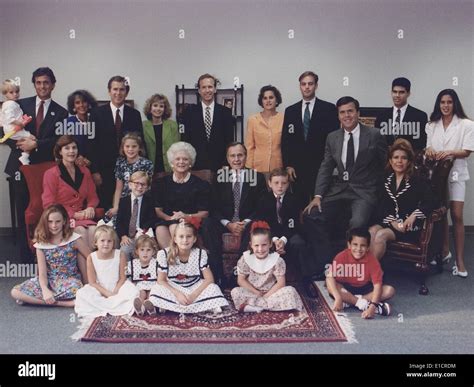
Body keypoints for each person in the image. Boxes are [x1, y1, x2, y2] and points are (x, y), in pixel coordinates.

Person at [303, 96, 387, 279]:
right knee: (312, 215)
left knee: (357, 224)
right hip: (339, 190)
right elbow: (326, 167)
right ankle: (328, 264)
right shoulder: (332, 137)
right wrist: (317, 196)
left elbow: (384, 166)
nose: (346, 115)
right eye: (342, 112)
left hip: (363, 193)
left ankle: (351, 270)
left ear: (358, 113)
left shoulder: (374, 135)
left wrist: (378, 194)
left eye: (350, 111)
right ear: (338, 115)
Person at [4, 67, 68, 262]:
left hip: (45, 169)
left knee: (46, 210)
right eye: (38, 82)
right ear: (34, 84)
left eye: (46, 82)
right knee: (24, 210)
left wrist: (37, 144)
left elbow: (60, 140)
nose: (42, 86)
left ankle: (46, 253)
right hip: (19, 167)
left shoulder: (61, 112)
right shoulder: (19, 104)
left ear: (53, 85)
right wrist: (20, 143)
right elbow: (4, 130)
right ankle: (26, 255)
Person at [425, 89, 474, 278]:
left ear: (455, 104)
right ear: (439, 104)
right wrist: (430, 150)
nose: (445, 106)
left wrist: (450, 152)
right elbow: (429, 145)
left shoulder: (466, 124)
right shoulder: (432, 125)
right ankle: (445, 251)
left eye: (449, 102)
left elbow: (467, 151)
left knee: (457, 215)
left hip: (456, 175)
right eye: (442, 102)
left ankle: (460, 261)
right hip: (436, 176)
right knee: (441, 212)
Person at [203, 142, 266, 282]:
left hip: (247, 222)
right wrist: (228, 224)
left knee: (256, 225)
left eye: (240, 155)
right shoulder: (220, 177)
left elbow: (261, 207)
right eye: (232, 156)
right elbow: (213, 207)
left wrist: (246, 222)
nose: (236, 159)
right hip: (225, 222)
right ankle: (218, 274)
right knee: (207, 223)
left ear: (246, 156)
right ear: (227, 158)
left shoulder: (257, 177)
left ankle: (237, 273)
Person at [369, 139, 436, 260]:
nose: (399, 161)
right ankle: (368, 270)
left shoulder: (417, 179)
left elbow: (432, 201)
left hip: (407, 227)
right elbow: (380, 204)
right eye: (396, 157)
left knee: (380, 235)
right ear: (390, 160)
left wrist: (414, 215)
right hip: (389, 221)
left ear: (409, 161)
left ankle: (370, 274)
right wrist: (392, 221)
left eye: (404, 158)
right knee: (371, 231)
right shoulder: (385, 179)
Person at [11, 204, 90, 307]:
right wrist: (45, 290)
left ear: (64, 221)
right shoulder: (41, 245)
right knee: (15, 292)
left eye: (58, 221)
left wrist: (90, 283)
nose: (54, 225)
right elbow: (42, 274)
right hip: (48, 281)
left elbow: (91, 258)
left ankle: (35, 299)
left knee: (77, 288)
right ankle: (64, 303)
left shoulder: (74, 239)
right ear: (45, 222)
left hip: (69, 281)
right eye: (50, 222)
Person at [281, 71, 339, 205]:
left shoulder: (328, 109)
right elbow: (286, 141)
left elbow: (334, 140)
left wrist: (330, 165)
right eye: (303, 84)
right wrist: (288, 165)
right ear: (300, 86)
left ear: (316, 86)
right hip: (296, 169)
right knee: (298, 206)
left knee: (320, 206)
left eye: (310, 84)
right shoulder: (291, 111)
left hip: (321, 167)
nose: (307, 87)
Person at [256, 168, 316, 297]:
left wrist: (282, 240)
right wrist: (275, 240)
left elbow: (293, 223)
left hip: (289, 234)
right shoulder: (263, 200)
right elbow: (265, 223)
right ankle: (261, 283)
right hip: (270, 236)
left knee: (299, 243)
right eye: (276, 183)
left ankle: (306, 282)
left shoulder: (293, 200)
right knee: (260, 243)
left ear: (288, 184)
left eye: (283, 183)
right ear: (269, 183)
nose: (280, 186)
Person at [149, 220, 229, 314]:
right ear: (175, 239)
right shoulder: (164, 254)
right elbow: (161, 280)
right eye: (181, 236)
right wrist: (178, 294)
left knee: (213, 288)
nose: (185, 240)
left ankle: (169, 306)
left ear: (194, 239)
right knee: (156, 289)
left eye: (189, 236)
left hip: (194, 286)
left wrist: (193, 296)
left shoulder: (200, 253)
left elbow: (209, 279)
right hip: (174, 286)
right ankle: (203, 306)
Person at [89, 75, 143, 209]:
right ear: (109, 91)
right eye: (115, 89)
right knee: (107, 207)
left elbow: (140, 143)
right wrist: (94, 171)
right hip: (104, 171)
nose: (118, 93)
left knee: (127, 207)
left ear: (126, 92)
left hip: (129, 170)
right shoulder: (96, 114)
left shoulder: (134, 114)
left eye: (122, 90)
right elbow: (91, 144)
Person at [231, 221, 303, 313]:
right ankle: (268, 307)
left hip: (271, 293)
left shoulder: (277, 260)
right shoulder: (245, 259)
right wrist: (257, 293)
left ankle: (254, 306)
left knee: (290, 291)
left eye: (264, 245)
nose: (260, 249)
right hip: (252, 292)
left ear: (270, 244)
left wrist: (266, 296)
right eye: (256, 245)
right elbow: (241, 280)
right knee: (235, 292)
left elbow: (281, 283)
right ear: (251, 245)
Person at [42, 135, 99, 250]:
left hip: (83, 216)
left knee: (95, 231)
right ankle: (89, 267)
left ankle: (91, 267)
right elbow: (49, 204)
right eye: (67, 148)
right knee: (80, 232)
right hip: (62, 219)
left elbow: (93, 197)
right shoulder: (51, 174)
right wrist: (73, 214)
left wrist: (90, 207)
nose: (71, 151)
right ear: (60, 152)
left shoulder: (85, 171)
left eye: (74, 148)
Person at [326, 228, 395, 319]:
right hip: (345, 289)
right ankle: (363, 304)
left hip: (365, 289)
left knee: (389, 290)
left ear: (368, 248)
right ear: (349, 245)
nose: (358, 249)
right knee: (330, 282)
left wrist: (373, 306)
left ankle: (350, 302)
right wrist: (338, 298)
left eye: (363, 245)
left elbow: (377, 285)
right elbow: (330, 278)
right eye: (355, 244)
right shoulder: (341, 256)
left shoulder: (372, 261)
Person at [152, 141, 210, 248]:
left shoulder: (201, 185)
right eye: (177, 159)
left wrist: (186, 216)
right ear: (171, 163)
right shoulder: (161, 183)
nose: (181, 162)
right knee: (160, 229)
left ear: (190, 163)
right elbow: (158, 210)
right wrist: (170, 218)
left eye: (185, 159)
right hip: (167, 220)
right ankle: (170, 261)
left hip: (189, 222)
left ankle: (182, 260)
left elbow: (204, 213)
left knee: (176, 227)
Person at [74, 225, 139, 318]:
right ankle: (115, 305)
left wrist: (115, 291)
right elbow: (92, 282)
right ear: (95, 242)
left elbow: (122, 278)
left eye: (109, 241)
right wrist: (107, 293)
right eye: (102, 241)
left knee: (133, 291)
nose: (106, 244)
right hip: (99, 289)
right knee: (82, 294)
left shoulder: (120, 254)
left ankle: (108, 305)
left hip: (118, 287)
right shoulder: (91, 257)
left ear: (113, 242)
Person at [181, 73, 234, 171]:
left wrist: (226, 163)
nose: (207, 90)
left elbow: (229, 141)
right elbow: (185, 140)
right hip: (195, 165)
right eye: (204, 87)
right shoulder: (189, 112)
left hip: (220, 166)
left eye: (210, 87)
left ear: (215, 89)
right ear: (199, 90)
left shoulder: (225, 112)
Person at [106, 133, 153, 219]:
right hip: (124, 201)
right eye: (127, 146)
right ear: (123, 148)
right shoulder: (120, 162)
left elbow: (147, 188)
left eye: (134, 146)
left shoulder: (146, 164)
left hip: (139, 200)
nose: (130, 149)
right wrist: (116, 207)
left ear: (139, 148)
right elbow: (118, 188)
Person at [375, 77, 428, 152]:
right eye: (394, 92)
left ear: (408, 93)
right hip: (385, 160)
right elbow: (377, 142)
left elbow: (421, 144)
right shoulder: (382, 116)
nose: (397, 95)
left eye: (401, 92)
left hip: (409, 160)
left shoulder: (420, 116)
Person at [116, 171, 157, 260]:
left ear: (147, 187)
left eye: (143, 184)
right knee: (124, 250)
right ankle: (127, 272)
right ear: (130, 184)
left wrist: (143, 231)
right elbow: (119, 221)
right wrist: (123, 236)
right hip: (128, 237)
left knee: (149, 250)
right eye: (136, 183)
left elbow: (152, 219)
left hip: (143, 235)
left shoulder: (149, 201)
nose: (139, 187)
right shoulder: (124, 201)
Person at [245, 85, 284, 174]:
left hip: (278, 167)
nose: (268, 101)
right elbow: (249, 146)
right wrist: (249, 168)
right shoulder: (253, 119)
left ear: (277, 100)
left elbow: (286, 146)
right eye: (265, 98)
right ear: (261, 101)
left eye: (271, 97)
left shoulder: (284, 119)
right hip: (258, 167)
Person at [142, 93, 180, 175]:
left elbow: (177, 148)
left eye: (161, 106)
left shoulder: (172, 125)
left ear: (165, 109)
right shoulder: (143, 126)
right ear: (150, 108)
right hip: (149, 168)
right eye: (155, 105)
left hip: (169, 168)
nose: (158, 109)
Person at [0, 79, 32, 164]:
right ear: (5, 93)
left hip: (13, 129)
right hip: (14, 129)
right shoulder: (10, 104)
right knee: (33, 138)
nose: (15, 94)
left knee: (27, 140)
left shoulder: (10, 104)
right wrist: (20, 123)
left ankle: (24, 156)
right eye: (11, 92)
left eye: (17, 91)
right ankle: (24, 157)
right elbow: (9, 119)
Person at [126, 235, 159, 316]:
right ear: (137, 251)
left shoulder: (156, 263)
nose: (145, 253)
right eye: (142, 250)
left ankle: (151, 308)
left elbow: (161, 275)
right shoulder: (133, 264)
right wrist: (131, 284)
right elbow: (128, 276)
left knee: (151, 294)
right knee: (141, 292)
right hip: (140, 284)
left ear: (153, 252)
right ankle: (139, 306)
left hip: (153, 284)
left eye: (148, 250)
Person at [65, 89, 98, 166]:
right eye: (77, 103)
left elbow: (99, 145)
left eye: (84, 102)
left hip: (96, 163)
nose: (81, 105)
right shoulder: (68, 123)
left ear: (89, 104)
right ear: (73, 106)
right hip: (75, 162)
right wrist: (78, 158)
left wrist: (89, 160)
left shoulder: (97, 121)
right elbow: (65, 146)